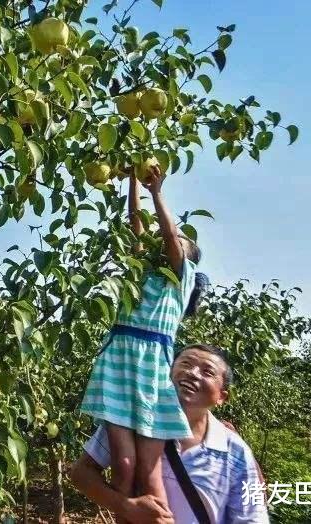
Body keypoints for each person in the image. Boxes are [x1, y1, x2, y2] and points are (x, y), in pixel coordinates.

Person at [78, 165, 208, 509]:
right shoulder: (141, 270)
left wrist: (157, 192)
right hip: (119, 361)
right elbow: (135, 221)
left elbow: (167, 238)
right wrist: (135, 175)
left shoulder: (181, 278)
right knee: (123, 467)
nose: (169, 238)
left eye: (182, 240)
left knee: (148, 476)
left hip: (152, 371)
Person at [70, 344, 269, 523]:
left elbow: (253, 516)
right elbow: (81, 472)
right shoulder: (130, 423)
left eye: (207, 372)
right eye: (186, 363)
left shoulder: (236, 452)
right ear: (168, 372)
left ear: (221, 397)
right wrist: (126, 507)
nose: (193, 373)